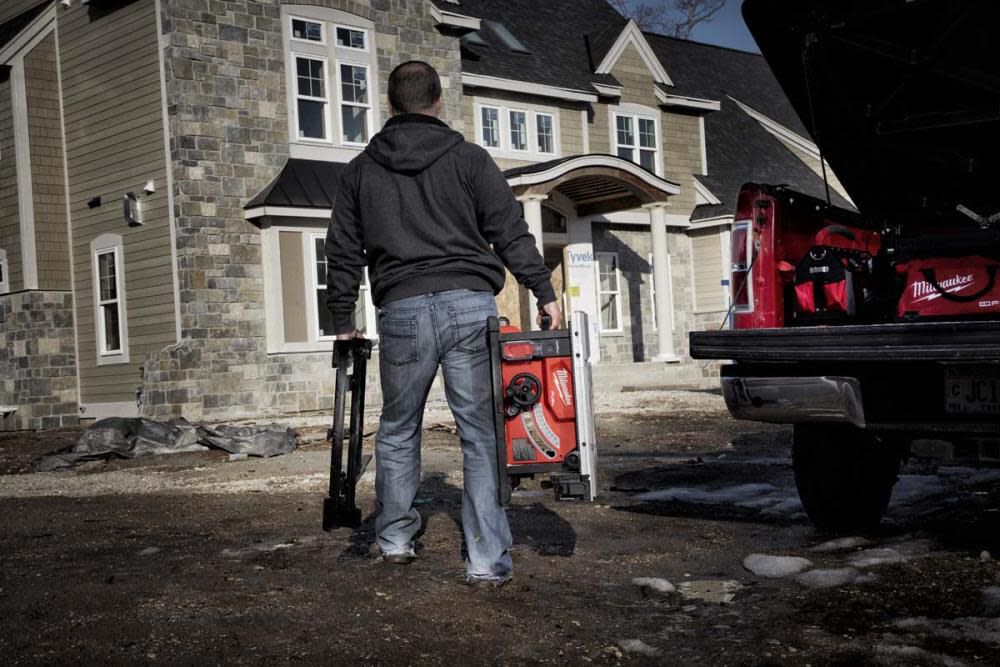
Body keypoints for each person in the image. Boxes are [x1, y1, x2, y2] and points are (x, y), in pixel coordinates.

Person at [325, 61, 562, 587]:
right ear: (439, 101)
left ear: (390, 105)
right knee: (479, 435)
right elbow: (510, 230)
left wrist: (342, 317)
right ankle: (484, 560)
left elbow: (341, 249)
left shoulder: (361, 169)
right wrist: (543, 291)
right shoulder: (470, 160)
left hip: (403, 312)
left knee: (397, 430)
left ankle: (394, 541)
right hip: (469, 307)